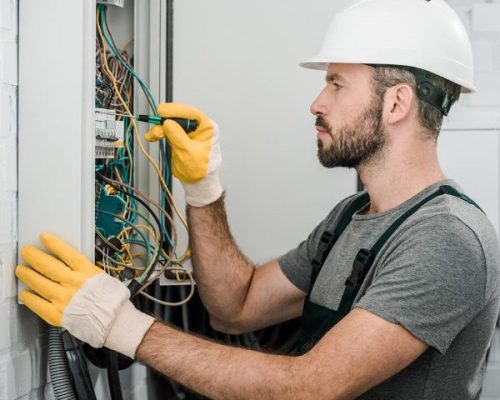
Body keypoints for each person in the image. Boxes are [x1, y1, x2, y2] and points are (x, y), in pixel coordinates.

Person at [16, 0, 500, 398]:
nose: (317, 102)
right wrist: (204, 190)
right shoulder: (352, 217)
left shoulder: (446, 238)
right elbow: (237, 305)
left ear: (396, 104)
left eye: (336, 83)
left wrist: (122, 327)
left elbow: (311, 387)